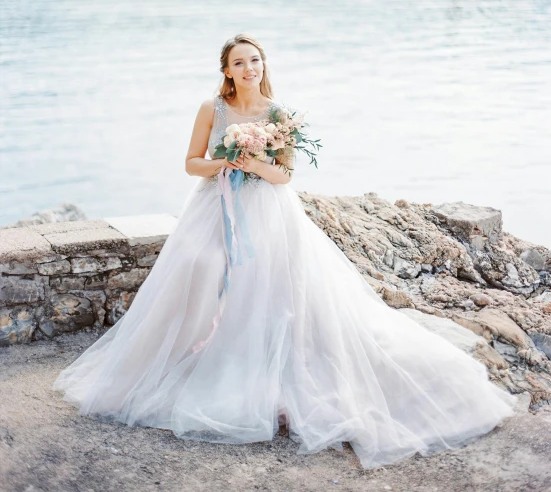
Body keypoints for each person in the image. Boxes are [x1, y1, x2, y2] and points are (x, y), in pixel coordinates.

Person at [52, 32, 516, 470]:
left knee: (269, 284)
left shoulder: (278, 114)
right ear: (227, 71)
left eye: (255, 60)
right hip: (215, 204)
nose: (249, 67)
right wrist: (225, 161)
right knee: (201, 261)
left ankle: (253, 363)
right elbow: (192, 163)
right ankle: (181, 348)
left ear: (262, 65)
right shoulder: (212, 108)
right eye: (240, 62)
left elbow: (286, 175)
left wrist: (255, 161)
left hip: (269, 211)